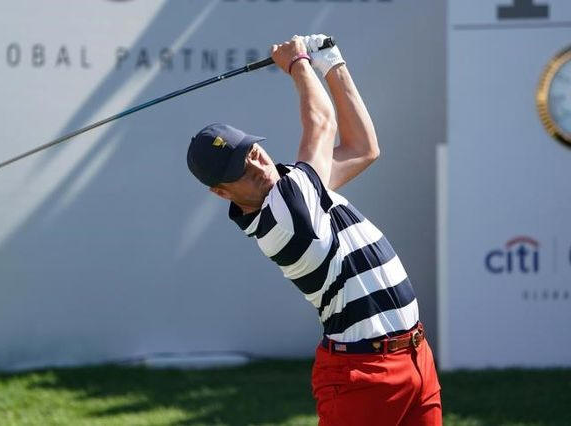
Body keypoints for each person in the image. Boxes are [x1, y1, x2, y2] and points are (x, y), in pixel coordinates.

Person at [186, 34, 442, 426]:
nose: (257, 167)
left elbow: (362, 148)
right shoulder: (286, 213)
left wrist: (332, 64)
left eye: (251, 152)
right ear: (222, 192)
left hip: (414, 357)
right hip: (362, 376)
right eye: (239, 171)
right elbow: (321, 122)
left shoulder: (297, 188)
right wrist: (298, 63)